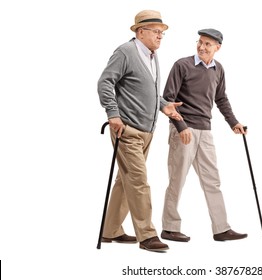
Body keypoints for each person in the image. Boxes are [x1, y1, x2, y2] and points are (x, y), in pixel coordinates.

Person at [97, 10, 183, 252]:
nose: (160, 36)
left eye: (162, 32)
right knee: (139, 183)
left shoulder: (152, 56)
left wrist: (164, 105)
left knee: (125, 183)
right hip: (127, 131)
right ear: (140, 31)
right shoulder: (126, 52)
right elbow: (105, 82)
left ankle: (110, 230)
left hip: (146, 131)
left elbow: (148, 92)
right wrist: (112, 113)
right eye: (156, 31)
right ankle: (146, 235)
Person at [160, 28, 248, 242]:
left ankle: (221, 229)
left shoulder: (218, 69)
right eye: (200, 42)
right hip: (184, 129)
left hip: (205, 130)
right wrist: (181, 127)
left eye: (208, 44)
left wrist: (233, 122)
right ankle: (169, 228)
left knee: (212, 180)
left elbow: (221, 99)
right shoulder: (182, 65)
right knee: (177, 179)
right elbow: (167, 100)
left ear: (218, 47)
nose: (201, 47)